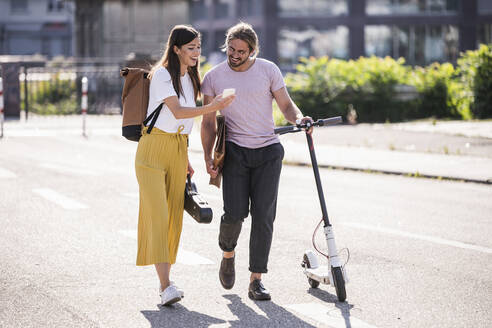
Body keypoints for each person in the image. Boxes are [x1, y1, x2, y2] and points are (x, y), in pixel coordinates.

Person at [200, 22, 312, 301]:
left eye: (241, 51)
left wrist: (300, 119)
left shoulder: (268, 70)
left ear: (252, 51)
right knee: (234, 214)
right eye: (231, 49)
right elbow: (208, 122)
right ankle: (228, 253)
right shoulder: (213, 77)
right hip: (236, 152)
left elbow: (286, 106)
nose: (235, 54)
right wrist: (207, 156)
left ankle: (256, 279)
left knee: (264, 217)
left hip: (268, 152)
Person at [135, 25, 235, 306]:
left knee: (172, 220)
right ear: (176, 49)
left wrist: (187, 158)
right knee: (158, 215)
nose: (196, 53)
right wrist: (213, 105)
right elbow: (178, 111)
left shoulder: (191, 78)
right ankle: (166, 286)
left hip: (178, 148)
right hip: (152, 150)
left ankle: (166, 282)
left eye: (199, 47)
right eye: (191, 48)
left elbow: (182, 124)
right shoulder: (162, 75)